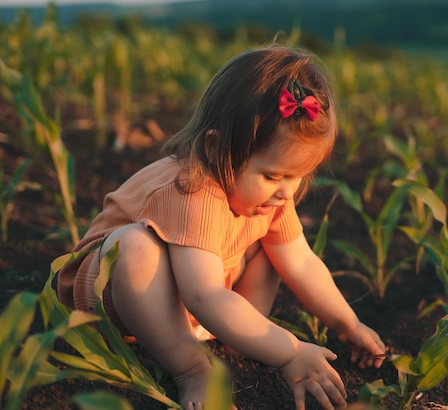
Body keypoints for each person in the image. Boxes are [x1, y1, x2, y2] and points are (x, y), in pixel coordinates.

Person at [57, 44, 386, 410]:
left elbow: (302, 262)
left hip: (193, 301)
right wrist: (290, 351)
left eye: (298, 176)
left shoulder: (269, 195)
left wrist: (347, 324)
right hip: (113, 305)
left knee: (274, 248)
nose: (286, 191)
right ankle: (193, 371)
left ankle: (235, 337)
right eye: (273, 175)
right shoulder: (191, 186)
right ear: (217, 150)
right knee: (136, 246)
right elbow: (206, 294)